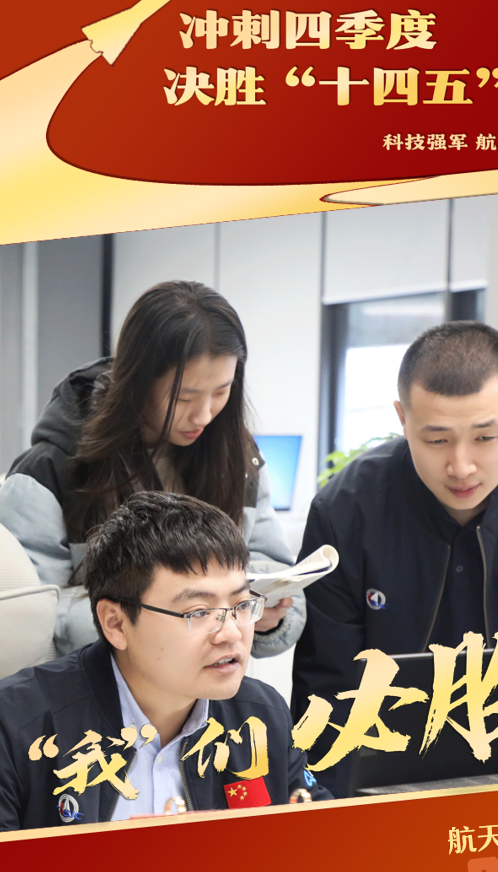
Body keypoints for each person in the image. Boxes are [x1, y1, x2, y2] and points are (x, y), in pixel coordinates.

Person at [291, 321, 498, 796]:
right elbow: (327, 689)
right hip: (381, 763)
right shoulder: (345, 514)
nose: (461, 467)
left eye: (485, 437)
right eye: (437, 440)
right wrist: (332, 807)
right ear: (402, 418)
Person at [0, 281, 302, 658]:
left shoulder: (238, 461)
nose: (204, 414)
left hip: (207, 687)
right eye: (185, 397)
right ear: (138, 381)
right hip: (97, 689)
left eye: (221, 392)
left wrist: (265, 615)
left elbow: (278, 576)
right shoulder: (51, 472)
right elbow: (29, 618)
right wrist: (160, 618)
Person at [0, 492, 331, 830]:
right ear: (116, 624)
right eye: (198, 612)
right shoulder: (17, 727)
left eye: (242, 605)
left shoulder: (261, 716)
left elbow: (320, 838)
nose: (231, 633)